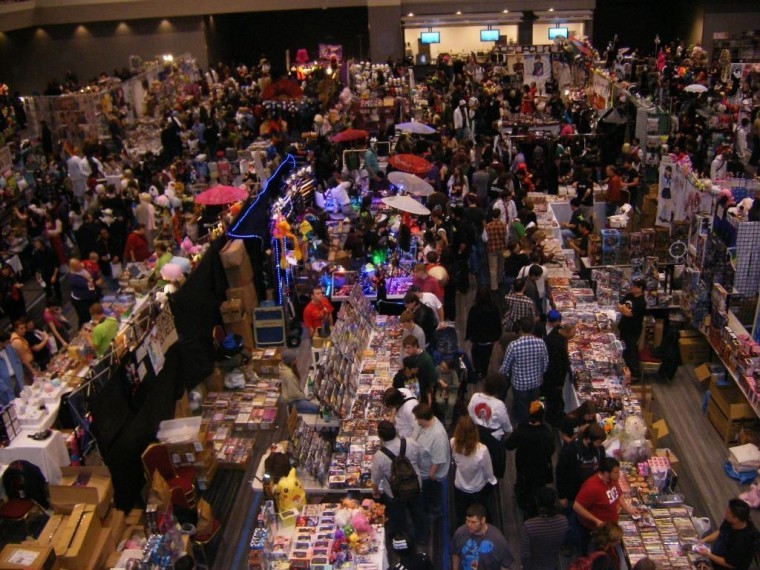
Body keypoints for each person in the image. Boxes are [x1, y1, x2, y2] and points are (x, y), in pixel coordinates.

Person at [371, 420, 427, 547]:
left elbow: (375, 480)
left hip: (394, 493)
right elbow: (420, 461)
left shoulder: (379, 456)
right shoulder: (411, 443)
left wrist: (375, 492)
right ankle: (422, 538)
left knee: (398, 518)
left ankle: (402, 539)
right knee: (418, 513)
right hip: (415, 486)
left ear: (380, 437)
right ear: (395, 431)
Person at [574, 457, 639, 552]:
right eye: (616, 472)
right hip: (596, 531)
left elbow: (618, 495)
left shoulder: (613, 480)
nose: (619, 475)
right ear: (606, 473)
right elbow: (577, 506)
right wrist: (596, 521)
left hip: (610, 528)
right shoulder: (591, 487)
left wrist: (628, 509)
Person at [505, 401, 555, 515]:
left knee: (523, 485)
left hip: (523, 464)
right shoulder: (547, 431)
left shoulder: (521, 429)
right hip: (541, 466)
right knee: (539, 486)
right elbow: (551, 449)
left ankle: (523, 503)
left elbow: (509, 445)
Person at [499, 316, 548, 424]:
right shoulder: (541, 343)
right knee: (534, 406)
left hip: (519, 384)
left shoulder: (513, 346)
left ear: (520, 329)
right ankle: (534, 424)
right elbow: (545, 364)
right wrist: (540, 374)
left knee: (521, 407)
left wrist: (502, 375)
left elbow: (505, 367)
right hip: (535, 382)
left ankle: (523, 427)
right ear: (532, 329)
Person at [450, 416, 497, 526]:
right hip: (477, 489)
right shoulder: (482, 450)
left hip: (460, 487)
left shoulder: (452, 442)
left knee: (461, 514)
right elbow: (488, 473)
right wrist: (492, 482)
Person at [411, 402, 450, 522]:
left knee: (433, 494)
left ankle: (435, 513)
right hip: (421, 470)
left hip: (430, 475)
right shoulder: (422, 425)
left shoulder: (438, 437)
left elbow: (437, 460)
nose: (416, 421)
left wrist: (431, 475)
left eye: (418, 419)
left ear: (424, 418)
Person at [468, 372, 512, 478]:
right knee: (497, 457)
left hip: (476, 432)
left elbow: (470, 412)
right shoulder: (499, 405)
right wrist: (508, 431)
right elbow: (506, 424)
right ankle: (495, 475)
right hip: (493, 437)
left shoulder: (474, 397)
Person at [695, 498, 756, 570]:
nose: (725, 513)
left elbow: (730, 564)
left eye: (728, 512)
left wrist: (708, 555)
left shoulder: (743, 540)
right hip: (715, 557)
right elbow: (721, 532)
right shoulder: (730, 520)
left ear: (736, 518)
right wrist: (704, 540)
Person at [451, 503, 514, 570]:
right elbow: (455, 554)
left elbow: (506, 564)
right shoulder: (460, 533)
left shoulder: (497, 539)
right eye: (467, 521)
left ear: (483, 520)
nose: (469, 524)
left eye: (473, 522)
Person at [520, 487, 569, 570]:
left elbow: (525, 555)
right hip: (552, 564)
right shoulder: (563, 521)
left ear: (537, 502)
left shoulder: (529, 526)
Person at [465, 288, 503, 379]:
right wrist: (497, 335)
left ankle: (478, 371)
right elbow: (498, 323)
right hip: (490, 338)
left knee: (476, 354)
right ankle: (484, 371)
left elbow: (470, 323)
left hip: (477, 338)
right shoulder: (494, 308)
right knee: (487, 355)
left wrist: (468, 335)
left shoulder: (474, 309)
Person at [543, 322, 575, 426]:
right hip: (553, 378)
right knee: (554, 399)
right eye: (571, 336)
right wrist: (560, 383)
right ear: (566, 332)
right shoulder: (557, 345)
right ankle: (552, 420)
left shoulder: (555, 332)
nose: (571, 339)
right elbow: (558, 366)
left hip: (550, 376)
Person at [617, 279, 646, 381]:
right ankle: (625, 370)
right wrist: (624, 309)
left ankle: (635, 374)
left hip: (633, 330)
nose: (631, 288)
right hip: (624, 327)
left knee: (631, 350)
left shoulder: (641, 302)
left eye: (634, 286)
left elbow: (629, 314)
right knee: (623, 350)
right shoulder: (629, 296)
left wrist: (624, 309)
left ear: (640, 288)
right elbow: (619, 305)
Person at [278, 349, 319, 413]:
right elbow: (294, 393)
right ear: (291, 361)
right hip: (293, 401)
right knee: (316, 409)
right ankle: (293, 409)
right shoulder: (289, 375)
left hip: (293, 397)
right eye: (295, 358)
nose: (297, 359)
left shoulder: (286, 367)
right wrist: (305, 398)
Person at [401, 336, 438, 405]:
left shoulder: (426, 359)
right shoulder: (410, 356)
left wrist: (429, 396)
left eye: (408, 347)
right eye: (405, 348)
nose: (406, 350)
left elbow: (433, 378)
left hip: (423, 391)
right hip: (412, 387)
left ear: (415, 346)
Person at [69, 258, 100, 329]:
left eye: (79, 263)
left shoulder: (83, 271)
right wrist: (95, 282)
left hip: (89, 297)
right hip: (81, 301)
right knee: (85, 317)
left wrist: (95, 274)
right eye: (76, 265)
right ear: (73, 267)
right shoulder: (73, 278)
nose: (79, 266)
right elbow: (87, 285)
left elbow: (91, 276)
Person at [30, 238, 61, 304]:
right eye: (35, 244)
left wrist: (54, 276)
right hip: (44, 274)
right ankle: (50, 302)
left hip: (52, 272)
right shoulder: (36, 254)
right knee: (46, 289)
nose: (36, 245)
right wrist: (38, 277)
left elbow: (56, 264)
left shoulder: (50, 251)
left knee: (57, 288)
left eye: (37, 244)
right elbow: (37, 267)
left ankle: (59, 301)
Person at [484, 208, 508, 291]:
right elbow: (506, 237)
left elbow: (485, 238)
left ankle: (494, 287)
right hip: (502, 248)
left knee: (493, 268)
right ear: (500, 215)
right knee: (501, 265)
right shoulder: (504, 225)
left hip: (491, 249)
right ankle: (500, 280)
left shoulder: (487, 226)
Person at [0, 332, 24, 405]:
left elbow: (17, 360)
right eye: (6, 343)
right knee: (12, 404)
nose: (8, 344)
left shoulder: (9, 347)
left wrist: (20, 372)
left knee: (23, 397)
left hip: (17, 376)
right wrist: (2, 386)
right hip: (6, 382)